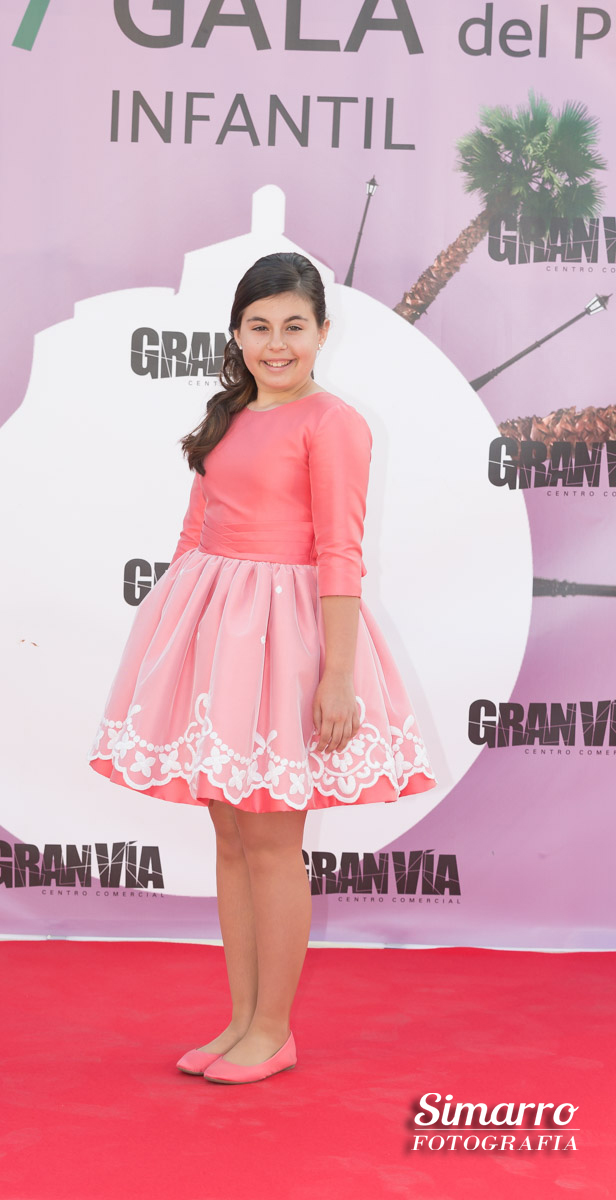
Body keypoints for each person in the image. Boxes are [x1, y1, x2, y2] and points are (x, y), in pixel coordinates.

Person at [88, 251, 437, 1085]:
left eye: (293, 327)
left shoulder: (334, 423)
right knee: (231, 837)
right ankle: (241, 1019)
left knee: (275, 841)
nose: (276, 344)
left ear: (322, 332)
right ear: (237, 334)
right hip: (214, 632)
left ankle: (274, 1031)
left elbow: (340, 552)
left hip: (287, 640)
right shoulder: (230, 413)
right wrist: (172, 637)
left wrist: (338, 675)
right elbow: (193, 531)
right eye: (259, 327)